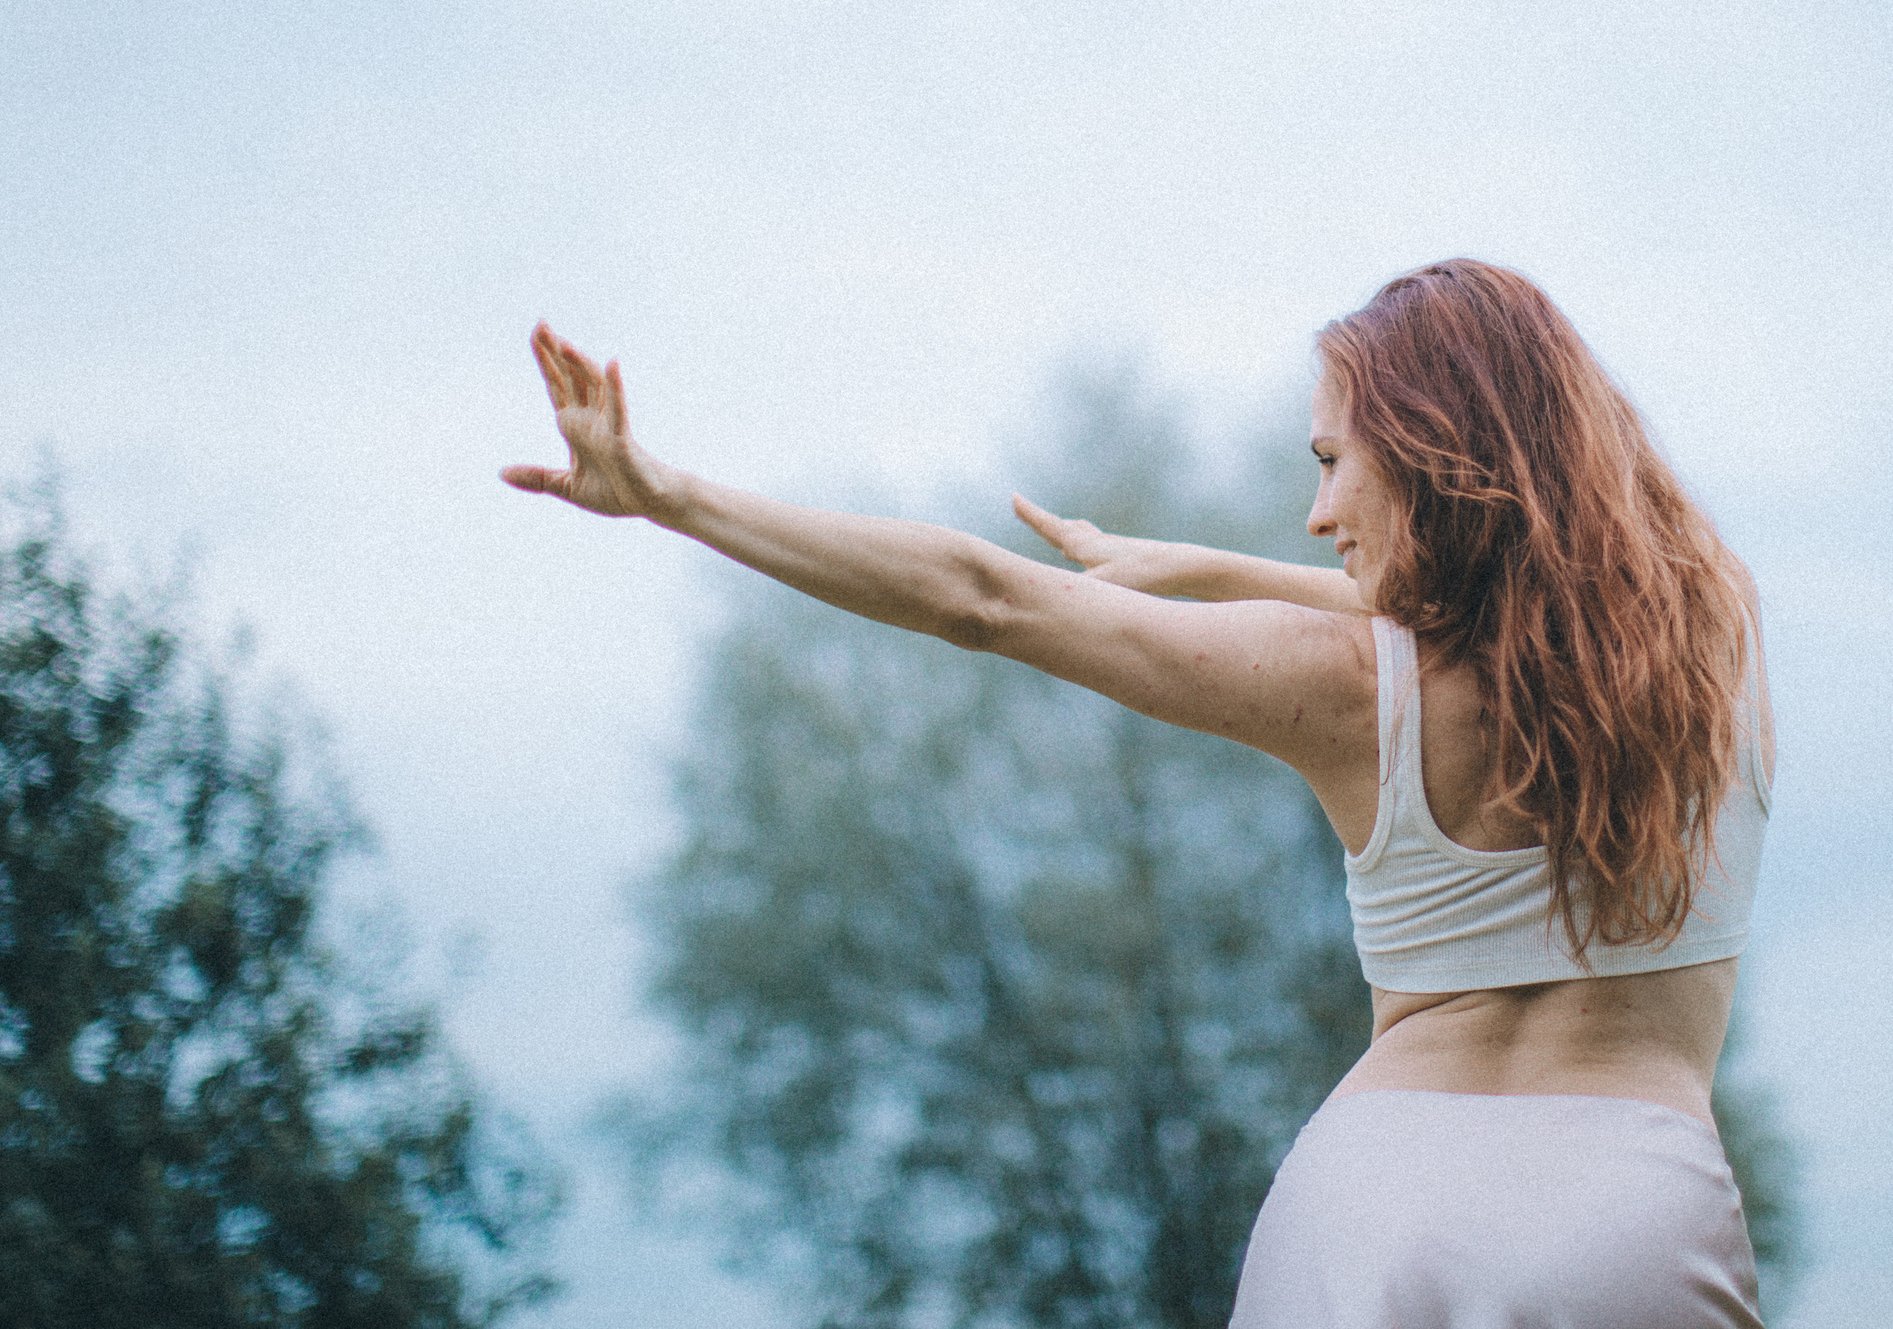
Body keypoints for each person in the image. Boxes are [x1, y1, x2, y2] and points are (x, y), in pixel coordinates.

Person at [503, 258, 1773, 1328]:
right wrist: (1219, 568)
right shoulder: (1718, 637)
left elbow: (983, 599)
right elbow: (1536, 605)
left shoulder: (1346, 689)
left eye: (1336, 462)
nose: (1319, 510)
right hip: (1632, 1210)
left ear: (1439, 452)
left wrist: (669, 496)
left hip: (1377, 1217)